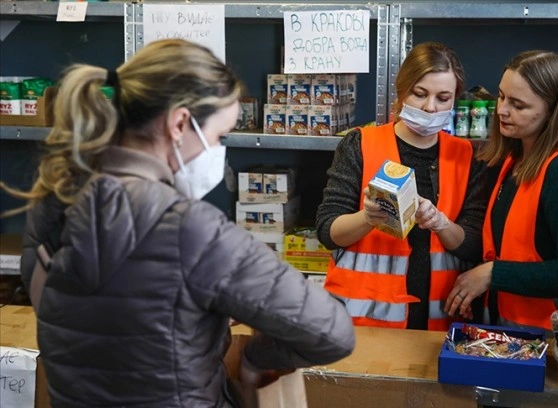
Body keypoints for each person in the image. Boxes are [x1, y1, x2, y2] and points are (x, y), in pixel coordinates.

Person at [2, 39, 355, 407]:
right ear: (180, 123)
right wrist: (254, 355)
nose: (220, 150)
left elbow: (91, 320)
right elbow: (331, 331)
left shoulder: (53, 198)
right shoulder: (191, 227)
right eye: (220, 136)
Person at [316, 42, 489, 331]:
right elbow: (327, 231)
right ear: (401, 90)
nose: (430, 107)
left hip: (440, 321)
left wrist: (441, 223)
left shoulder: (470, 156)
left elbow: (473, 245)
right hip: (363, 320)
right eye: (420, 94)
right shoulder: (361, 145)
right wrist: (367, 218)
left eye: (443, 98)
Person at [444, 50, 558, 330]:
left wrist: (492, 274)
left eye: (518, 105)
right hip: (519, 335)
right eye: (501, 96)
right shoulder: (515, 159)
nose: (501, 110)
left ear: (551, 110)